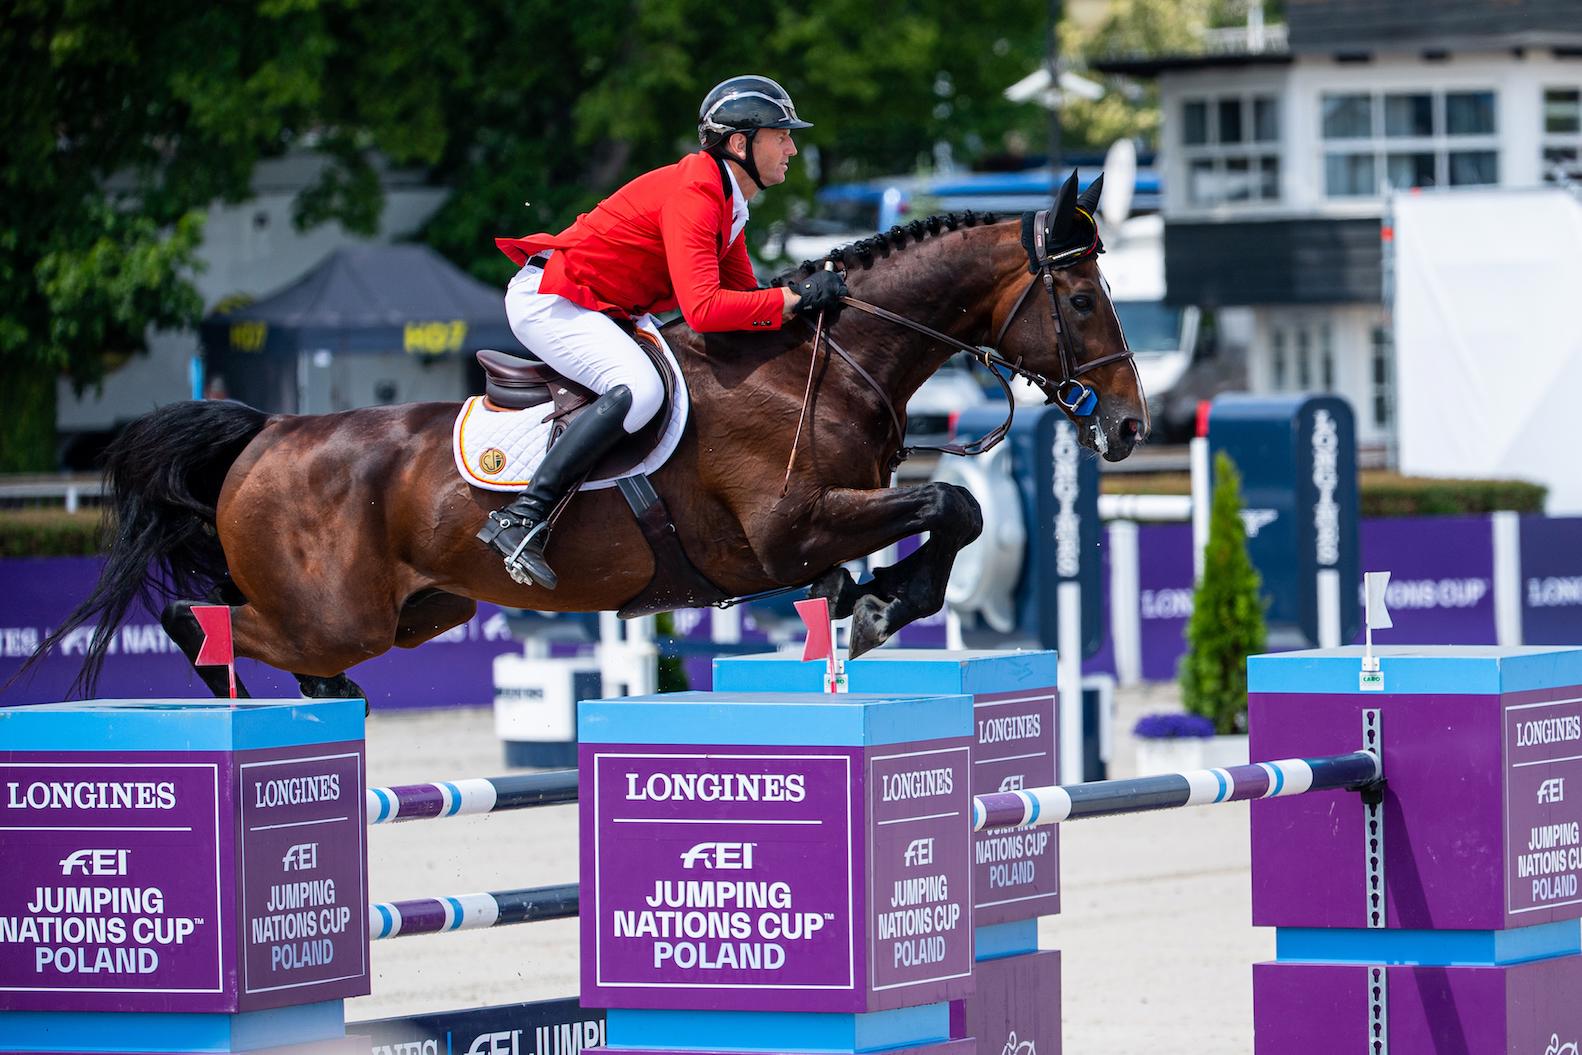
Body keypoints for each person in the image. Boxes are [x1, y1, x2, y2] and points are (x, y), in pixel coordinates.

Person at [480, 75, 849, 588]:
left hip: (607, 307)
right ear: (739, 143)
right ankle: (523, 516)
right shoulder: (697, 193)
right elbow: (703, 309)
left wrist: (806, 301)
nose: (791, 146)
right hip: (554, 301)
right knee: (642, 390)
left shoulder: (728, 200)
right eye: (780, 134)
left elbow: (744, 302)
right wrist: (791, 299)